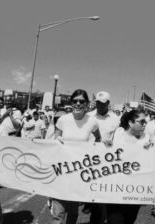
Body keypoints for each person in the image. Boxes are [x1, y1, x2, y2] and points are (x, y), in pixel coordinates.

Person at [51, 89, 101, 224]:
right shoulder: (63, 120)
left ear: (87, 104)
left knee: (72, 212)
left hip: (78, 171)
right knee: (58, 213)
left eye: (81, 101)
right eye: (75, 101)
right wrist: (57, 140)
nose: (78, 104)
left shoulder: (93, 122)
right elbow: (55, 139)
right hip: (61, 170)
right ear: (71, 102)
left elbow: (98, 141)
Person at [106, 110, 149, 224]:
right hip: (115, 188)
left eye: (146, 122)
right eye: (142, 121)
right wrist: (106, 144)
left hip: (135, 190)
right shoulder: (118, 133)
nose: (145, 124)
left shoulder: (146, 138)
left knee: (129, 220)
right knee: (114, 220)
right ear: (130, 123)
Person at [87, 91, 120, 223]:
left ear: (108, 103)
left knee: (103, 194)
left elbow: (119, 137)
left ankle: (101, 218)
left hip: (107, 160)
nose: (100, 105)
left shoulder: (115, 119)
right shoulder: (88, 116)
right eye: (98, 103)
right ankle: (96, 216)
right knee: (92, 193)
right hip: (88, 159)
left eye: (103, 103)